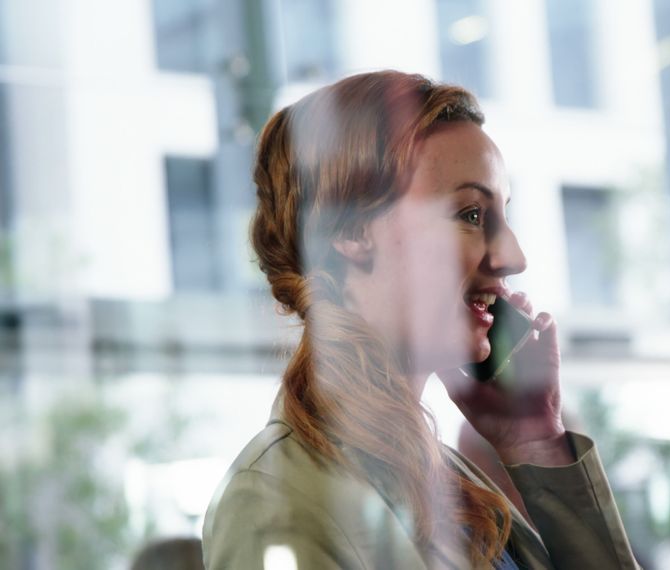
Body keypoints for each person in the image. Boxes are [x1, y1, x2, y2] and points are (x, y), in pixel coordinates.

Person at [202, 71, 639, 569]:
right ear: (347, 230)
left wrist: (536, 444)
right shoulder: (274, 501)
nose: (513, 256)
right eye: (471, 214)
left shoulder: (451, 484)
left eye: (503, 216)